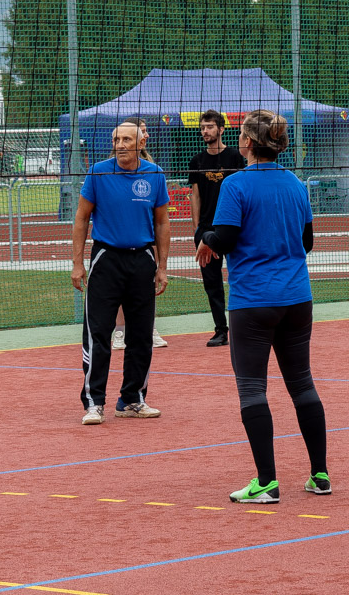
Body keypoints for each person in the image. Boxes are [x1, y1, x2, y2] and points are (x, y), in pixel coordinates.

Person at [195, 110, 330, 503]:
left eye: (242, 134)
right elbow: (307, 242)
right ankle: (320, 475)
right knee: (302, 384)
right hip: (297, 298)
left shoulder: (236, 184)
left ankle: (267, 483)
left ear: (249, 143)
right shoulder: (296, 185)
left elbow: (225, 238)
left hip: (253, 300)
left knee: (252, 388)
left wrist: (206, 237)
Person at [73, 121, 170, 423]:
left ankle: (132, 399)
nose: (120, 145)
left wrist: (162, 267)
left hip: (142, 259)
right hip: (106, 259)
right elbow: (81, 218)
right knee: (98, 334)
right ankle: (94, 402)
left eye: (127, 139)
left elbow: (162, 222)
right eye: (116, 139)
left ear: (141, 143)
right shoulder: (98, 173)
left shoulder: (155, 174)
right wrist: (77, 263)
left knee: (140, 335)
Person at [113, 117, 169, 350]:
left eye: (145, 131)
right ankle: (119, 331)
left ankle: (150, 328)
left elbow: (160, 217)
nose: (146, 134)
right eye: (142, 130)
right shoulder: (110, 168)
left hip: (144, 244)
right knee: (118, 293)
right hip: (117, 246)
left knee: (146, 290)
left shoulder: (152, 169)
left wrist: (161, 261)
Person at [188, 110, 242, 347]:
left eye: (209, 127)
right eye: (202, 127)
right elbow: (195, 196)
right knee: (212, 284)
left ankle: (243, 326)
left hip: (232, 227)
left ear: (221, 129)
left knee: (241, 277)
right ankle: (221, 330)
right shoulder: (197, 161)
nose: (205, 131)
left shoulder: (235, 157)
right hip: (207, 231)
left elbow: (242, 190)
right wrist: (197, 230)